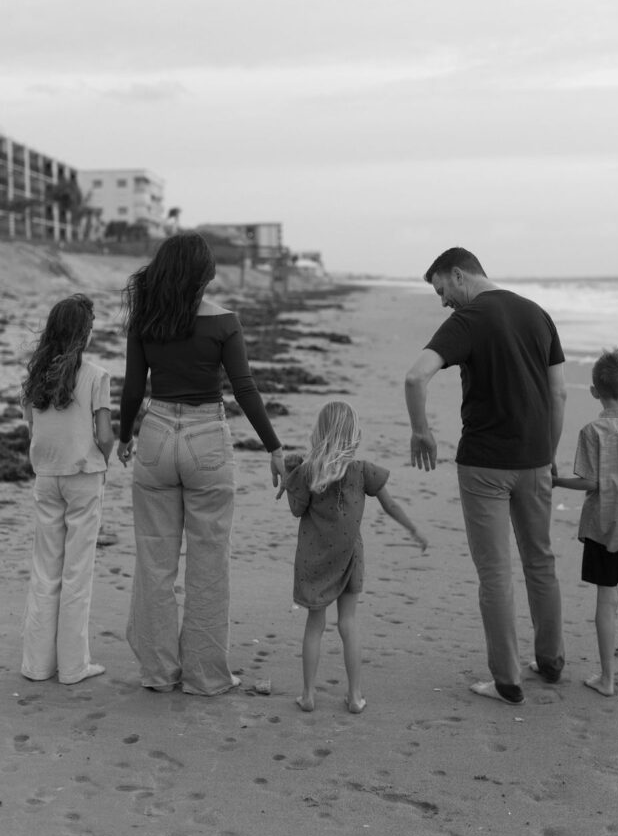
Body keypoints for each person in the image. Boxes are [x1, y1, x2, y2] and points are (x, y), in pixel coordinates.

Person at [117, 232, 285, 696]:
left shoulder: (145, 321)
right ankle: (206, 676)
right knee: (209, 562)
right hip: (206, 438)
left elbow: (133, 389)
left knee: (155, 560)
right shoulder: (225, 321)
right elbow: (244, 388)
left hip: (155, 435)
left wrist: (125, 433)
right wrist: (274, 446)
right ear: (205, 275)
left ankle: (158, 672)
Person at [404, 246, 566, 705]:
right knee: (541, 561)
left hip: (483, 466)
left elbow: (416, 378)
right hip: (535, 461)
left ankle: (508, 681)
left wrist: (422, 432)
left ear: (459, 275)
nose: (442, 301)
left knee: (495, 572)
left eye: (441, 290)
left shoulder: (469, 319)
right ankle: (551, 663)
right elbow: (559, 396)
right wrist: (547, 454)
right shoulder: (538, 315)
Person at [282, 400, 427, 713]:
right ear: (354, 435)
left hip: (313, 561)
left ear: (319, 433)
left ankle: (308, 695)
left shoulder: (308, 472)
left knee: (314, 626)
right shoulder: (362, 471)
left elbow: (297, 509)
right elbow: (390, 505)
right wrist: (412, 529)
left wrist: (291, 472)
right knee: (348, 624)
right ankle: (356, 696)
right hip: (350, 558)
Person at [553, 348, 618, 696]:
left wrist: (556, 482)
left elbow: (590, 482)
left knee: (606, 600)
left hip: (602, 527)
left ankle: (608, 678)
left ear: (594, 391)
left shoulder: (591, 431)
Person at [21, 294, 114, 685]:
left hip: (46, 476)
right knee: (77, 571)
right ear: (83, 334)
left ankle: (37, 666)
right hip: (83, 476)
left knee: (46, 570)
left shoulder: (34, 378)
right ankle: (74, 666)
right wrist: (104, 458)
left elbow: (31, 426)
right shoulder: (95, 376)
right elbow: (106, 435)